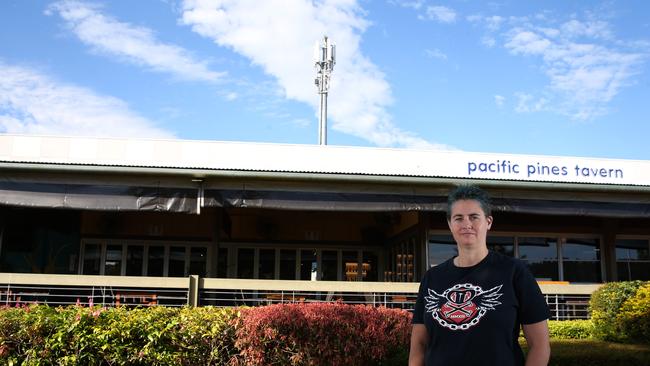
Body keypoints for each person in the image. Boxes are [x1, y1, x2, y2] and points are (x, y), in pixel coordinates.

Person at [409, 185, 550, 366]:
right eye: (458, 218)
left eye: (474, 217)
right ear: (450, 224)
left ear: (488, 222)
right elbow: (418, 346)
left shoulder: (514, 272)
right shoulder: (432, 278)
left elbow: (540, 346)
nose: (467, 224)